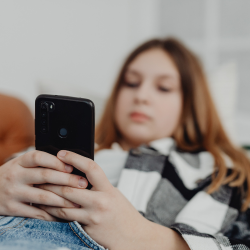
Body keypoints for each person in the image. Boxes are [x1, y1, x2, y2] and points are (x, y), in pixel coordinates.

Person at [0, 38, 250, 250]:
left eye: (164, 88)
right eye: (131, 83)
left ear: (190, 105)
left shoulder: (218, 169)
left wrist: (139, 234)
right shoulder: (51, 149)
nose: (141, 96)